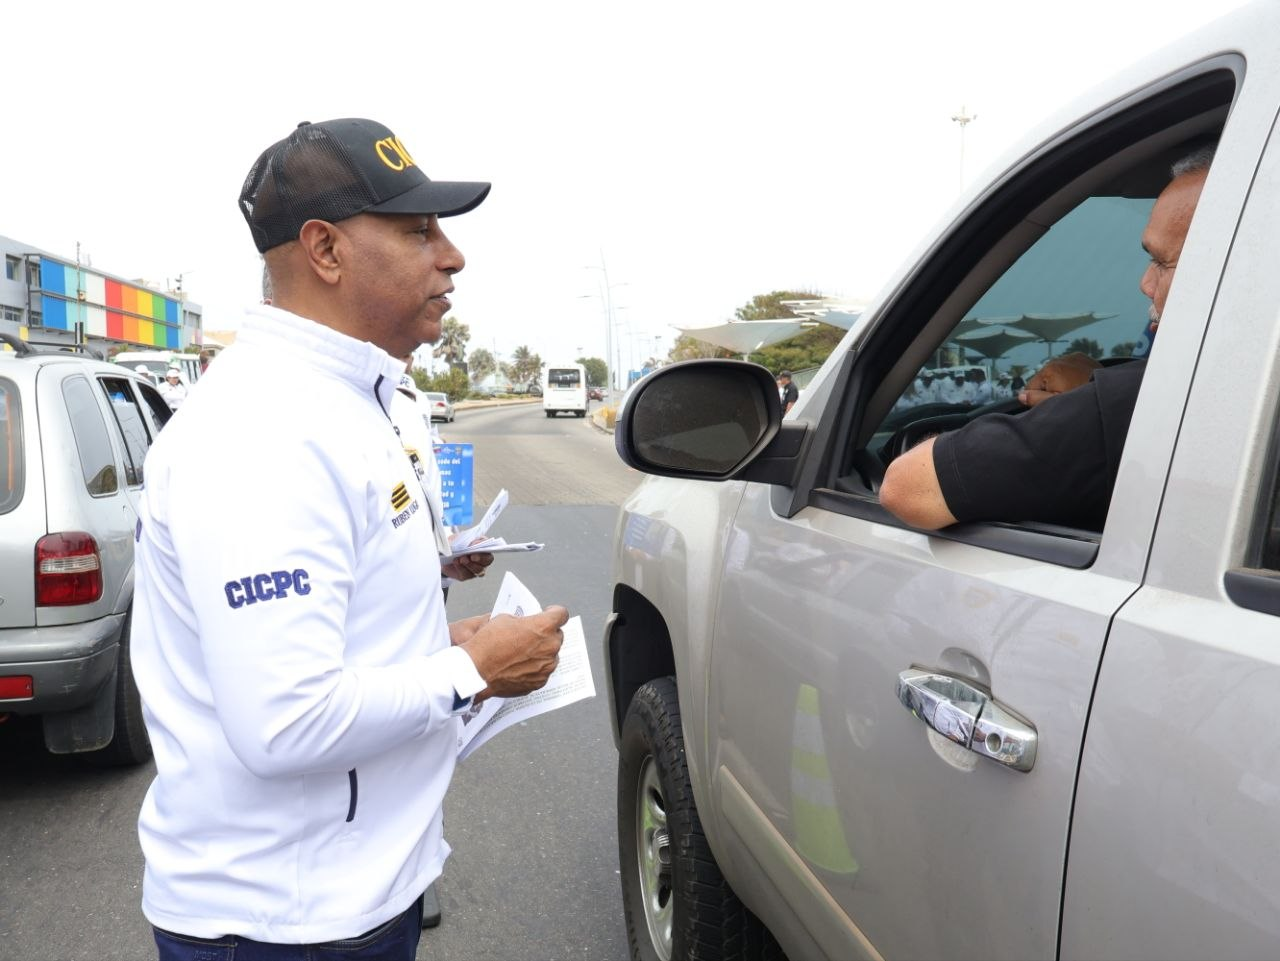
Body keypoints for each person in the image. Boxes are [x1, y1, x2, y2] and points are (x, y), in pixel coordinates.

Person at [131, 117, 567, 961]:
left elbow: (327, 622)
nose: (452, 255)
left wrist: (436, 631)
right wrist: (472, 669)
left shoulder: (357, 395)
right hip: (283, 923)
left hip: (353, 895)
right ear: (325, 250)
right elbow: (287, 722)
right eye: (418, 230)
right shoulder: (264, 432)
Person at [880, 144, 1213, 532]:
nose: (1145, 283)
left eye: (1161, 262)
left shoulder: (1147, 408)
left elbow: (906, 489)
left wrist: (1089, 406)